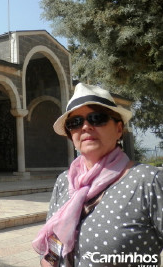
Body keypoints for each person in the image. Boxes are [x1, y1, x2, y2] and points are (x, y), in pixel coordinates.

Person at [33, 83, 163, 266]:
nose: (85, 127)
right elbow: (55, 240)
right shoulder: (65, 181)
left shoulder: (148, 181)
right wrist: (50, 260)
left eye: (97, 118)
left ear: (119, 129)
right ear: (71, 135)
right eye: (75, 123)